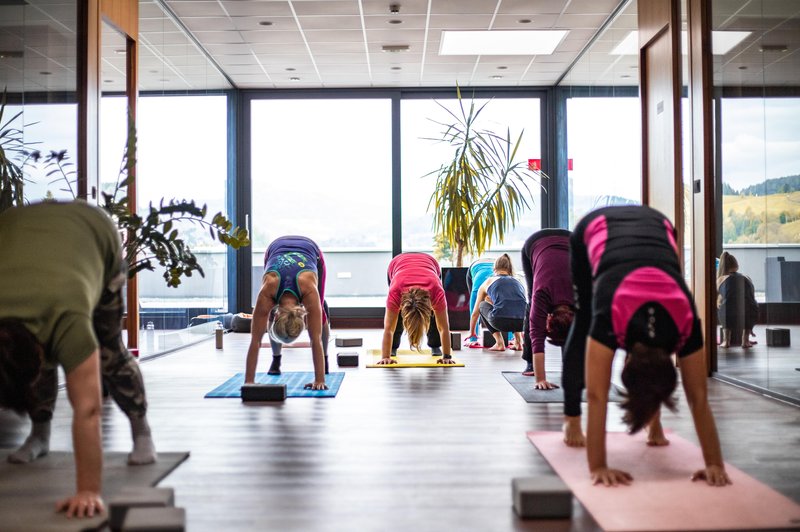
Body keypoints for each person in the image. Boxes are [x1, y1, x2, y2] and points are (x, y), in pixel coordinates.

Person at [0, 201, 157, 518]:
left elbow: (88, 408)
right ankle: (39, 436)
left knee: (109, 351)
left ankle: (142, 433)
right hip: (21, 227)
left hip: (94, 231)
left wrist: (88, 490)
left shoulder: (67, 318)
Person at [563, 205, 731, 487]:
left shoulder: (685, 319)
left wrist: (715, 464)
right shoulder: (610, 313)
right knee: (584, 319)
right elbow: (595, 395)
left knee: (636, 339)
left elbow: (698, 399)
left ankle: (654, 425)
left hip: (658, 224)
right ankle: (571, 418)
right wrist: (598, 467)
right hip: (594, 227)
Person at [245, 236, 329, 390]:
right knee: (265, 314)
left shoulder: (309, 289)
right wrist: (248, 382)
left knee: (320, 309)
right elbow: (255, 339)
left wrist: (320, 379)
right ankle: (276, 360)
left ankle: (325, 360)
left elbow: (315, 339)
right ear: (277, 316)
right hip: (275, 247)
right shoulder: (267, 290)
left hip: (311, 249)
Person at [520, 229, 575, 387]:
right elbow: (537, 335)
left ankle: (568, 366)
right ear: (548, 318)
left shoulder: (583, 293)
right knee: (532, 304)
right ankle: (529, 361)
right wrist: (540, 379)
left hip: (572, 241)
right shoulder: (541, 294)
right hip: (535, 242)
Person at [379, 253, 455, 365]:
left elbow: (443, 327)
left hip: (430, 263)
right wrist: (385, 357)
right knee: (395, 316)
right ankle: (392, 348)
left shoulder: (436, 290)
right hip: (397, 264)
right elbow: (389, 328)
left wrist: (447, 356)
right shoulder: (395, 291)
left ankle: (435, 345)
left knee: (436, 317)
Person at [467, 254, 527, 352]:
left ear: (494, 268)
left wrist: (472, 333)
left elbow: (475, 313)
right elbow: (520, 304)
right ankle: (519, 342)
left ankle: (499, 343)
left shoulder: (488, 281)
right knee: (516, 308)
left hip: (500, 322)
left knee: (482, 305)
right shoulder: (518, 281)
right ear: (510, 268)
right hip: (523, 323)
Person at [716, 251, 758, 348]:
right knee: (749, 304)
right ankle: (745, 340)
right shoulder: (747, 277)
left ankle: (726, 341)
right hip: (750, 312)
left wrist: (719, 301)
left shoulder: (721, 279)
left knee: (724, 304)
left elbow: (718, 298)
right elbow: (752, 296)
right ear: (737, 265)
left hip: (729, 313)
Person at [464, 258, 495, 346]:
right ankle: (475, 334)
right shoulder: (477, 291)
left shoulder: (499, 290)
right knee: (475, 307)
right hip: (475, 266)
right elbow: (474, 313)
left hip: (495, 264)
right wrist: (473, 338)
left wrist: (510, 338)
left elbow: (508, 310)